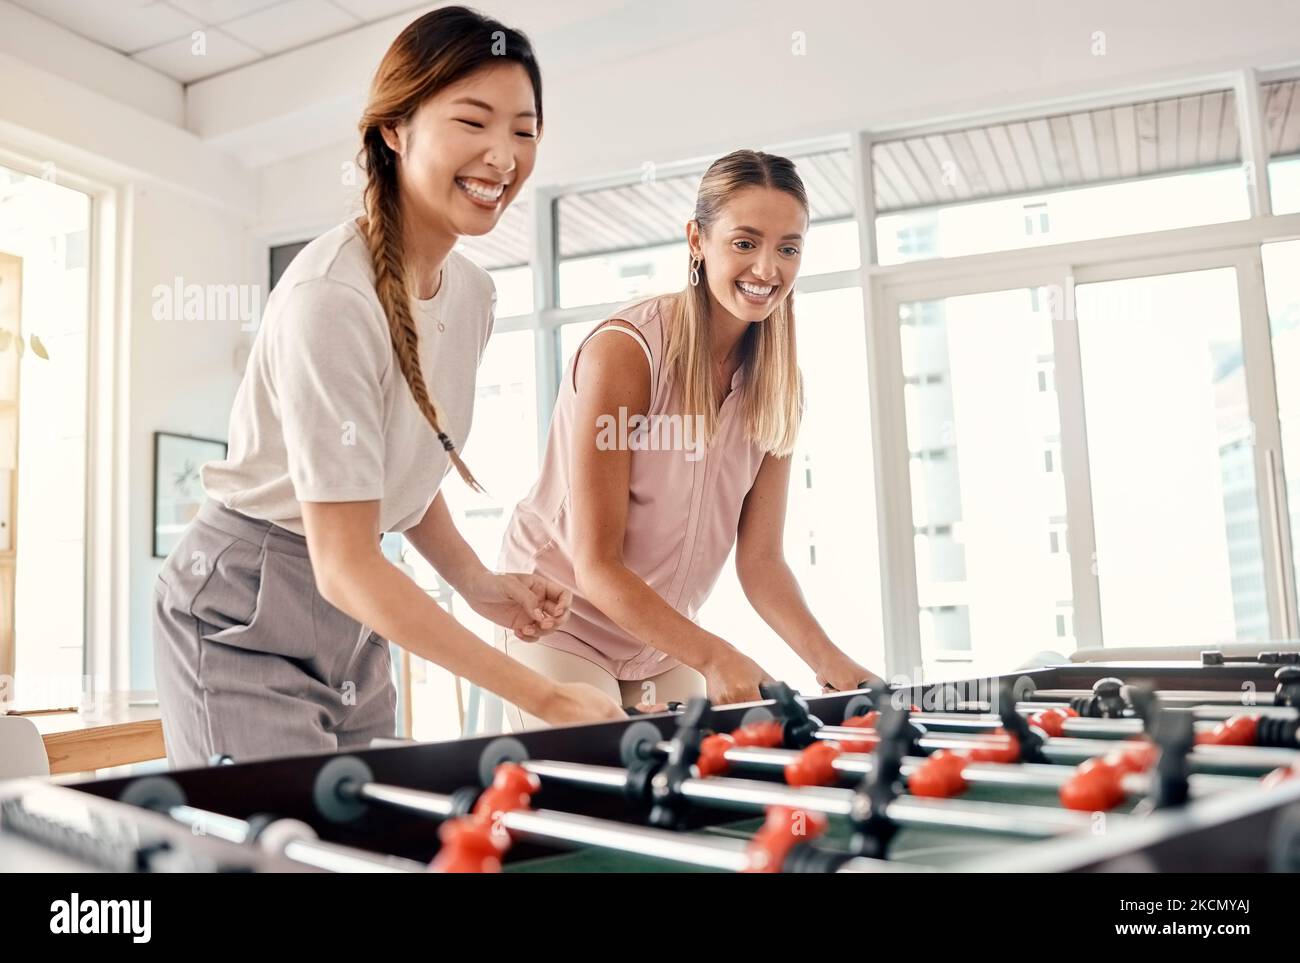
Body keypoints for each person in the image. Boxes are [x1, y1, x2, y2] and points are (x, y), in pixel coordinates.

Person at [153, 6, 623, 768]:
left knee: (371, 836)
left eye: (524, 130)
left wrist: (477, 583)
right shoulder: (330, 298)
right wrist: (544, 696)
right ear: (395, 130)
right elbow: (342, 560)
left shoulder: (472, 294)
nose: (502, 155)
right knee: (286, 852)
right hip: (247, 605)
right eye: (473, 121)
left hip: (353, 610)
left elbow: (393, 466)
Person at [497, 149, 879, 730]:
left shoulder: (777, 385)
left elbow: (762, 562)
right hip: (558, 619)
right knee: (596, 779)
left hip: (656, 640)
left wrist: (831, 661)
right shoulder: (626, 353)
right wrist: (715, 654)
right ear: (697, 241)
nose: (767, 269)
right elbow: (596, 565)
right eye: (745, 242)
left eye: (788, 247)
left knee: (694, 786)